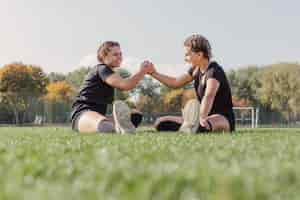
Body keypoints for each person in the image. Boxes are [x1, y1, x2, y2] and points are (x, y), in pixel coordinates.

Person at [148, 34, 235, 133]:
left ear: (199, 55)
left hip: (222, 118)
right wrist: (153, 73)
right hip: (201, 117)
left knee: (202, 126)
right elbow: (175, 83)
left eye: (188, 54)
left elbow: (209, 96)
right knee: (160, 122)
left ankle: (197, 126)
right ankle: (192, 125)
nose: (185, 58)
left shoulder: (214, 71)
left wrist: (202, 118)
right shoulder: (196, 70)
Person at [70, 41, 153, 134]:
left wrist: (142, 72)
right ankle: (115, 127)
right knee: (106, 127)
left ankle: (118, 126)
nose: (119, 57)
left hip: (99, 114)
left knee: (135, 115)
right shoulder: (101, 69)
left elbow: (125, 83)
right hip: (82, 114)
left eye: (120, 54)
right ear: (104, 56)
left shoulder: (110, 73)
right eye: (115, 54)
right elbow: (125, 85)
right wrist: (142, 71)